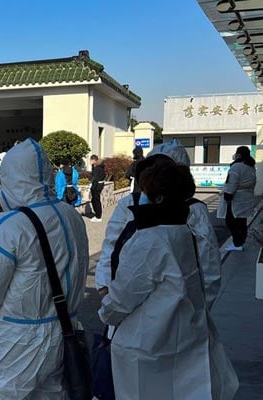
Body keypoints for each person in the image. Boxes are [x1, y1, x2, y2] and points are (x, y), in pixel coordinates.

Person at [99, 161, 239, 400]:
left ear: (159, 198)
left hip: (145, 347)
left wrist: (106, 310)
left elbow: (122, 299)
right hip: (186, 337)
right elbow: (208, 279)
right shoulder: (186, 234)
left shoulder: (149, 240)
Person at [0, 139, 89, 399]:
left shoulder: (11, 224)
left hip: (15, 342)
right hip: (63, 332)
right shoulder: (71, 216)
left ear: (11, 178)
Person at [219, 146, 256, 251]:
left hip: (236, 198)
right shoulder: (250, 166)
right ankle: (240, 241)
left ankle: (237, 243)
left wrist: (228, 195)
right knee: (242, 221)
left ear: (239, 154)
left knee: (230, 221)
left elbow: (232, 182)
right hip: (246, 197)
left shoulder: (236, 167)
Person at [89, 154, 106, 222]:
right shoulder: (98, 166)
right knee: (95, 200)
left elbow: (94, 177)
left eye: (90, 160)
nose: (90, 161)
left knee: (96, 200)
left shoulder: (97, 168)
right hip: (99, 185)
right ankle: (97, 215)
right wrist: (92, 166)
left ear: (93, 160)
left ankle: (98, 216)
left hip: (97, 186)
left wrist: (91, 186)